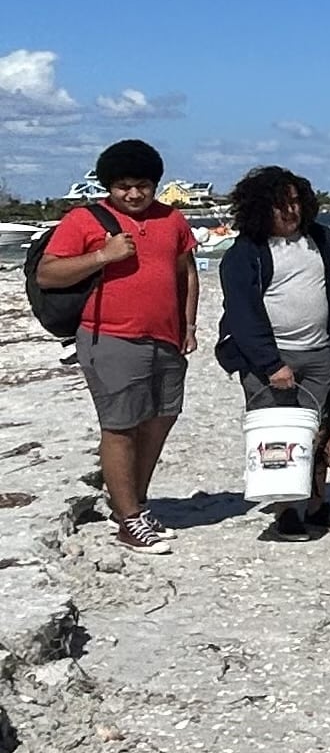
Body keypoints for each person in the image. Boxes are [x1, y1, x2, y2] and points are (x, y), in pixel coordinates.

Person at [37, 139, 200, 554]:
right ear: (108, 185)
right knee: (121, 425)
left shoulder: (173, 220)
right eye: (123, 186)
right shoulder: (83, 220)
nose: (132, 194)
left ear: (155, 184)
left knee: (161, 417)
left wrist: (189, 324)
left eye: (142, 185)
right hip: (108, 336)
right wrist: (102, 257)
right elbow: (48, 275)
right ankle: (129, 520)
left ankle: (134, 504)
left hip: (166, 336)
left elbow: (187, 273)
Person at [215, 165, 330, 543]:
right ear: (261, 208)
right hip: (270, 360)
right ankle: (285, 512)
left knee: (319, 433)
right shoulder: (244, 252)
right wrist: (271, 364)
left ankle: (317, 505)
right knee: (277, 440)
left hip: (320, 353)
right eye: (280, 204)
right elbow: (242, 313)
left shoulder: (324, 241)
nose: (290, 211)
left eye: (296, 202)